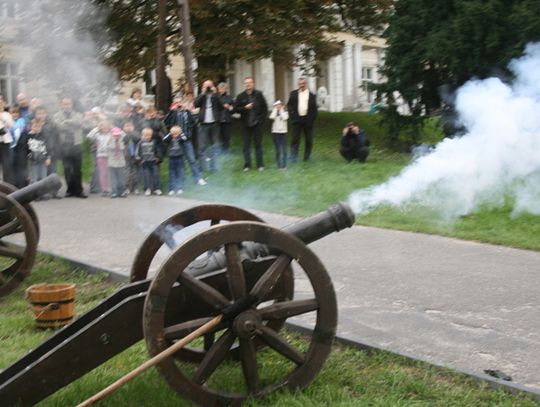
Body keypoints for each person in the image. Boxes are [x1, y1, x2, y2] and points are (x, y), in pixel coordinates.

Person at [164, 97, 206, 186]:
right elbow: (165, 121)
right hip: (176, 142)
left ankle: (198, 178)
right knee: (180, 162)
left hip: (186, 140)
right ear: (174, 104)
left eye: (180, 102)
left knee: (192, 160)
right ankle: (181, 181)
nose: (179, 104)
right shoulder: (172, 113)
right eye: (176, 103)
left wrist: (188, 110)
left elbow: (194, 122)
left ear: (183, 103)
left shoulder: (186, 112)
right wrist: (172, 110)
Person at [53, 97, 87, 198]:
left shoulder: (78, 115)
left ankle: (79, 190)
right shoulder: (56, 115)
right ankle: (70, 190)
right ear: (61, 105)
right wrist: (71, 124)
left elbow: (79, 123)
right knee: (67, 169)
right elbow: (59, 127)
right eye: (64, 104)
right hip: (64, 145)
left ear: (72, 104)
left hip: (76, 144)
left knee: (77, 169)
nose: (66, 106)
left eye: (68, 104)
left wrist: (66, 122)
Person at [234, 77, 268, 171]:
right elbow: (235, 109)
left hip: (257, 124)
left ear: (253, 83)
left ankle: (260, 165)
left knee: (258, 145)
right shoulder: (241, 96)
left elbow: (265, 108)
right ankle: (247, 165)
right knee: (246, 146)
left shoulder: (258, 94)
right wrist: (245, 108)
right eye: (246, 83)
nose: (248, 84)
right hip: (245, 124)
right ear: (244, 85)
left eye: (249, 83)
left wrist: (261, 120)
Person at [287, 77, 318, 162]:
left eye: (303, 84)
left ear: (306, 84)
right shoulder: (293, 94)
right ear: (298, 84)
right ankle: (293, 157)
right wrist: (292, 115)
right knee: (295, 139)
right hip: (297, 120)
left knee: (309, 140)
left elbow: (315, 109)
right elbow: (289, 105)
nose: (301, 85)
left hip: (307, 120)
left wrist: (311, 120)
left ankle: (307, 157)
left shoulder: (311, 95)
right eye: (300, 84)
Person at [194, 79, 221, 173]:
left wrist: (215, 94)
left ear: (213, 86)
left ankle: (213, 168)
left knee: (214, 147)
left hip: (214, 124)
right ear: (203, 87)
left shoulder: (215, 96)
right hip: (203, 124)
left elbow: (221, 106)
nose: (208, 88)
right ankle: (202, 168)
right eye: (206, 86)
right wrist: (203, 93)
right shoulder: (202, 96)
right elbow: (195, 104)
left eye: (210, 86)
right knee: (202, 147)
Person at [86, 120, 113, 196]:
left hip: (110, 156)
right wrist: (97, 128)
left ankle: (110, 188)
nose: (105, 128)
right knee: (102, 173)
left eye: (106, 126)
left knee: (109, 173)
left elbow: (122, 134)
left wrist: (112, 127)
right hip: (100, 156)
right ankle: (104, 189)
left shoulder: (111, 134)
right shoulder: (97, 135)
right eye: (103, 126)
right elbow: (89, 136)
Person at [136, 127, 162, 196]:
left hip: (153, 162)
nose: (147, 137)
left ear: (151, 135)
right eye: (145, 135)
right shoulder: (140, 143)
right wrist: (139, 159)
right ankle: (147, 189)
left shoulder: (154, 142)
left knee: (156, 175)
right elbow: (137, 153)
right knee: (146, 176)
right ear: (142, 135)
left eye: (149, 135)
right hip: (145, 162)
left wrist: (158, 157)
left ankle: (157, 189)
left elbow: (157, 150)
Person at [26, 119, 52, 187]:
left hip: (43, 160)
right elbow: (26, 149)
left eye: (39, 126)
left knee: (43, 176)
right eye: (35, 126)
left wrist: (48, 158)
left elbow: (48, 148)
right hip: (33, 160)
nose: (37, 128)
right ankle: (33, 192)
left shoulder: (44, 136)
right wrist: (28, 156)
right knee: (34, 177)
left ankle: (44, 192)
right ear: (31, 127)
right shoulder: (28, 136)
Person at [163, 125, 186, 195]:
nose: (174, 135)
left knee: (180, 173)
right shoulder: (169, 138)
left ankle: (179, 188)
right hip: (171, 158)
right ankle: (171, 188)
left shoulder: (181, 138)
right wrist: (170, 134)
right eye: (173, 134)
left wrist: (180, 133)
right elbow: (164, 139)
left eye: (176, 134)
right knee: (172, 173)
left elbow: (185, 139)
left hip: (179, 158)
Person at [106, 127, 127, 198]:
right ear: (112, 135)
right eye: (115, 135)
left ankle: (121, 192)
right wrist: (114, 141)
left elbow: (122, 148)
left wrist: (119, 141)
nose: (116, 136)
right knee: (113, 179)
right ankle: (114, 192)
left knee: (121, 178)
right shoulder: (109, 141)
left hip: (120, 163)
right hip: (112, 163)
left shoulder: (121, 141)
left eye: (118, 135)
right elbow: (111, 147)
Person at [122, 120, 141, 195]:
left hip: (135, 156)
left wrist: (131, 133)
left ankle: (135, 187)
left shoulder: (136, 133)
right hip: (125, 156)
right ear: (123, 128)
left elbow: (137, 139)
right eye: (127, 126)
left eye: (130, 126)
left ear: (133, 127)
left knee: (135, 172)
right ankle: (126, 187)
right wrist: (128, 133)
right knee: (127, 172)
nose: (128, 128)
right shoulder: (122, 134)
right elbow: (124, 140)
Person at [269, 100, 289, 169]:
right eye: (277, 105)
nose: (278, 106)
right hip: (276, 133)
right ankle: (279, 165)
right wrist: (275, 110)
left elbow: (285, 118)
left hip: (283, 133)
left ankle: (284, 165)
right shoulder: (274, 112)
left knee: (284, 150)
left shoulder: (285, 112)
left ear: (282, 105)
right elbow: (271, 117)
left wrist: (281, 110)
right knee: (278, 150)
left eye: (280, 105)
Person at [0, 95, 14, 184]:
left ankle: (7, 184)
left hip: (4, 141)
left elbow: (11, 125)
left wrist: (3, 118)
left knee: (6, 164)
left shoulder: (6, 114)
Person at [217, 82, 234, 153]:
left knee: (226, 136)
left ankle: (227, 150)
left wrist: (229, 107)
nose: (221, 90)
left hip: (227, 119)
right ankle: (221, 150)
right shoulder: (216, 97)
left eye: (223, 88)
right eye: (220, 88)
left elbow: (233, 109)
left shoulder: (229, 97)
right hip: (218, 120)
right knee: (220, 136)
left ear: (225, 89)